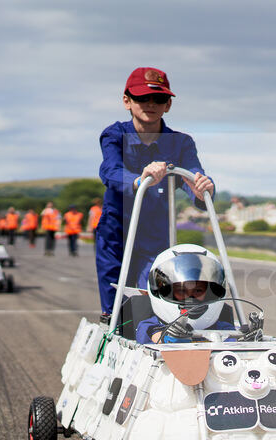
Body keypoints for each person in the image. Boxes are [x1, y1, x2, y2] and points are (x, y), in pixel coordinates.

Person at [96, 66, 216, 320]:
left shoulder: (181, 142)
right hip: (117, 225)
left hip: (156, 230)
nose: (150, 104)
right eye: (142, 98)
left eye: (159, 99)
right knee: (115, 300)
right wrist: (140, 180)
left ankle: (154, 332)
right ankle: (112, 326)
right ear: (127, 101)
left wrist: (202, 188)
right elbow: (110, 171)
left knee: (150, 295)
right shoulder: (114, 134)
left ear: (168, 105)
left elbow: (192, 173)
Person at [135, 244, 234, 344]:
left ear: (209, 293)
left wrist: (246, 339)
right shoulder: (149, 325)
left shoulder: (222, 327)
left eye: (198, 291)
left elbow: (233, 340)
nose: (190, 298)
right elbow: (151, 336)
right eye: (182, 291)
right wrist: (168, 337)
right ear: (167, 292)